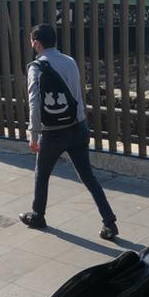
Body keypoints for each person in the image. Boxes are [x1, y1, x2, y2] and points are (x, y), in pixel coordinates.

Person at [20, 23, 118, 240]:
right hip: (78, 128)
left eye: (31, 40)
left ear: (36, 42)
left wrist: (33, 135)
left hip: (52, 133)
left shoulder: (36, 67)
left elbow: (35, 104)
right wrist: (81, 125)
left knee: (42, 174)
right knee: (88, 176)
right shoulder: (70, 62)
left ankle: (38, 216)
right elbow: (77, 96)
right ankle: (109, 221)